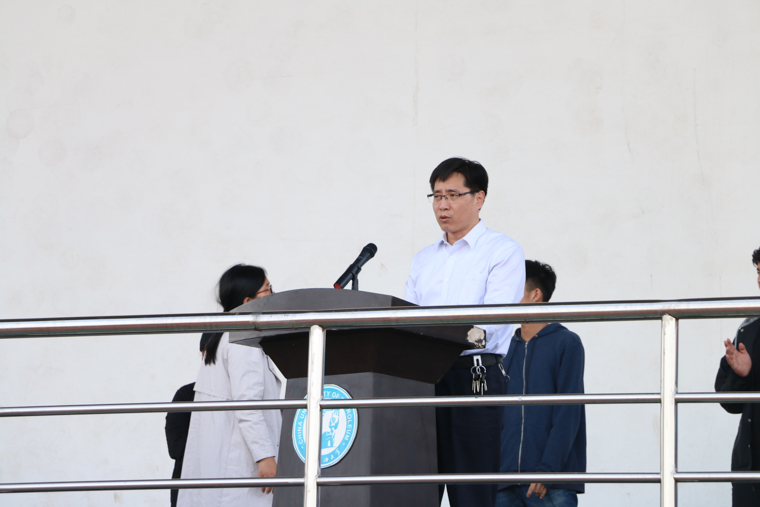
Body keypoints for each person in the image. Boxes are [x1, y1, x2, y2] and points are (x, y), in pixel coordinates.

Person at [404, 157, 525, 507]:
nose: (442, 204)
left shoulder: (502, 251)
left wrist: (435, 337)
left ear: (479, 198)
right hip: (422, 379)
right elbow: (409, 321)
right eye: (437, 196)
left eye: (453, 195)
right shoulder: (423, 259)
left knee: (471, 493)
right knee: (414, 490)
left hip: (474, 375)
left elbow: (490, 326)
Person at [178, 264, 281, 507]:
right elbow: (247, 404)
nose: (274, 294)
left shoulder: (223, 335)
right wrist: (265, 456)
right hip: (238, 465)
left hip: (223, 464)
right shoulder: (242, 340)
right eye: (268, 289)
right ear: (248, 301)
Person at [497, 260, 586, 507]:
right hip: (502, 482)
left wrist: (548, 469)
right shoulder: (501, 349)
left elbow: (569, 411)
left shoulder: (566, 343)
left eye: (514, 288)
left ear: (535, 294)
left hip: (550, 484)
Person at [715, 246, 760, 506]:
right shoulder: (749, 328)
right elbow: (729, 402)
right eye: (759, 272)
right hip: (750, 469)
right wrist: (742, 376)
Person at [165, 333, 213, 507]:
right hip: (190, 488)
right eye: (208, 353)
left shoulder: (241, 398)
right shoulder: (185, 395)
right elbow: (176, 448)